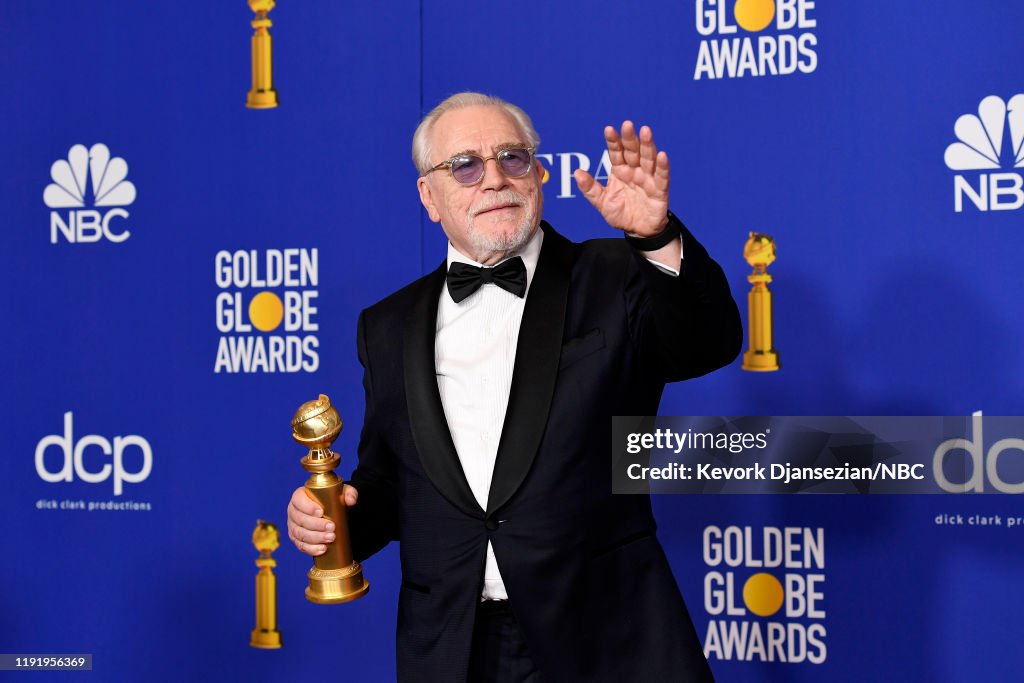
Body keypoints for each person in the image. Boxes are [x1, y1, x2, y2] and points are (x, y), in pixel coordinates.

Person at [288, 92, 741, 682]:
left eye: (513, 158)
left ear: (540, 174)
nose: (494, 179)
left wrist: (655, 238)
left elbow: (708, 343)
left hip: (606, 642)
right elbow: (393, 483)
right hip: (454, 649)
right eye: (465, 166)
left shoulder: (614, 275)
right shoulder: (386, 325)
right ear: (429, 196)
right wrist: (334, 519)